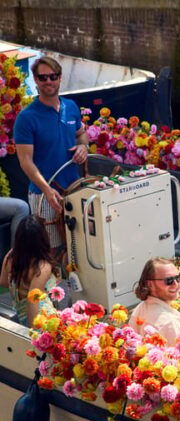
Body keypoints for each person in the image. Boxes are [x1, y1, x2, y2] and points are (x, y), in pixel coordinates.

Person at [13, 56, 88, 253]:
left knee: (80, 246)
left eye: (53, 76)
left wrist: (84, 147)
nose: (48, 81)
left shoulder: (71, 107)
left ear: (60, 78)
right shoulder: (26, 118)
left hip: (74, 189)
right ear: (35, 80)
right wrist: (47, 190)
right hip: (44, 195)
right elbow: (25, 161)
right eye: (43, 77)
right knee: (51, 250)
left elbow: (81, 134)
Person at [0, 216, 57, 326]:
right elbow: (33, 301)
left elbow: (3, 282)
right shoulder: (42, 267)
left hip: (22, 316)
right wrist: (33, 331)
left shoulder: (11, 257)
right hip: (41, 319)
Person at [129, 257, 180, 345]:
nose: (176, 284)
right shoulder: (170, 323)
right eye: (169, 280)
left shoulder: (140, 308)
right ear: (150, 284)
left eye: (178, 277)